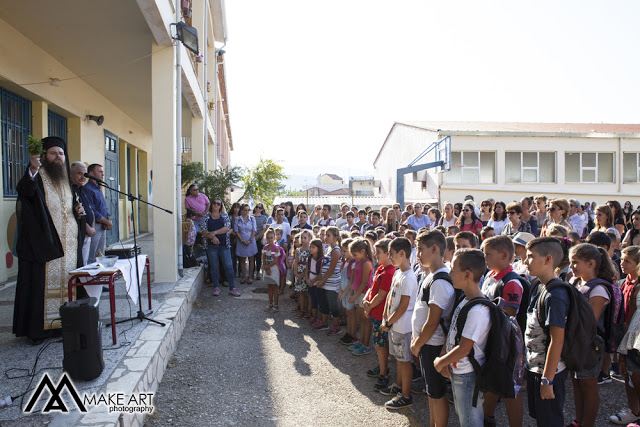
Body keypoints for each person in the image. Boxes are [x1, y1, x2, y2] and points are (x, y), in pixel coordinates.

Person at [14, 136, 85, 341]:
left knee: (67, 283)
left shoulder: (65, 180)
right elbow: (25, 191)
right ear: (44, 156)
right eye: (53, 153)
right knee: (40, 286)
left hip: (68, 246)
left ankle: (66, 323)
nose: (57, 157)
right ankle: (39, 330)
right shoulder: (37, 176)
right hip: (45, 245)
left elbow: (67, 209)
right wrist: (32, 169)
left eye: (61, 154)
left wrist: (77, 211)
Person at [434, 249, 491, 427]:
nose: (450, 274)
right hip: (459, 372)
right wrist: (445, 355)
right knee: (464, 416)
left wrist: (441, 362)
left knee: (470, 421)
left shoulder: (477, 311)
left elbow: (465, 348)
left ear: (467, 274)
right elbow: (453, 332)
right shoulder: (465, 300)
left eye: (453, 270)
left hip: (468, 375)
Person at [567, 243, 615, 427]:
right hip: (574, 342)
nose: (571, 267)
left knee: (588, 386)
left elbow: (590, 322)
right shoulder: (576, 282)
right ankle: (578, 421)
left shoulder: (599, 290)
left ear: (591, 264)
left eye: (575, 262)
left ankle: (588, 423)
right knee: (577, 385)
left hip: (589, 346)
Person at [524, 237, 570, 427]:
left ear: (548, 259)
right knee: (541, 418)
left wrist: (548, 380)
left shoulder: (555, 296)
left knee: (550, 421)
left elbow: (557, 340)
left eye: (530, 257)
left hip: (548, 372)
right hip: (536, 368)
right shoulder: (538, 286)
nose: (525, 262)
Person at [410, 230, 455, 427]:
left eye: (421, 250)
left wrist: (418, 344)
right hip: (426, 343)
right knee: (431, 391)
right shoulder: (431, 275)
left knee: (437, 393)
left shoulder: (440, 281)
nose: (418, 254)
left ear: (435, 249)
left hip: (433, 344)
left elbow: (433, 321)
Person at [480, 236, 526, 426]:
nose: (485, 258)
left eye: (488, 254)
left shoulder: (512, 282)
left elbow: (508, 313)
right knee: (491, 382)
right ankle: (487, 417)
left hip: (507, 344)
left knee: (509, 389)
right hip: (492, 339)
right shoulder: (491, 276)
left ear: (504, 254)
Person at [379, 237, 418, 410]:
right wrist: (385, 317)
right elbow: (390, 297)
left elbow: (403, 306)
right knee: (398, 360)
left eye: (392, 254)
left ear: (402, 254)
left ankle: (406, 395)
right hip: (394, 323)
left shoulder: (409, 277)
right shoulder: (398, 271)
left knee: (404, 361)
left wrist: (389, 321)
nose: (390, 257)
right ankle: (400, 386)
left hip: (402, 326)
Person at [611, 246, 640, 425]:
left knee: (635, 375)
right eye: (621, 259)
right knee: (627, 375)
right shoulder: (624, 282)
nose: (622, 263)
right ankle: (634, 410)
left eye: (627, 261)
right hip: (623, 331)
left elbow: (633, 317)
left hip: (633, 336)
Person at [363, 238, 395, 391]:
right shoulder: (381, 268)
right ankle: (382, 367)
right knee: (379, 344)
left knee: (380, 345)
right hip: (375, 311)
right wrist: (366, 298)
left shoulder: (389, 272)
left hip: (380, 314)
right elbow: (373, 288)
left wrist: (369, 306)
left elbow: (382, 295)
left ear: (388, 254)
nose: (375, 255)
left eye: (378, 253)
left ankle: (384, 374)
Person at [201, 198, 240, 297]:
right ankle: (216, 287)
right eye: (214, 203)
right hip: (211, 246)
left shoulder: (224, 216)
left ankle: (232, 288)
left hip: (224, 245)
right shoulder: (206, 217)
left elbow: (227, 228)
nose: (215, 205)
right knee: (214, 267)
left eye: (218, 204)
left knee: (229, 266)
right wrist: (213, 237)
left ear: (221, 206)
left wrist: (214, 232)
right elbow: (203, 231)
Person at [347, 238, 374, 355]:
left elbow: (364, 283)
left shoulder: (367, 263)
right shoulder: (358, 262)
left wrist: (355, 296)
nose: (354, 257)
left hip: (364, 294)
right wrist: (353, 294)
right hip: (358, 293)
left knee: (366, 320)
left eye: (355, 254)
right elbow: (355, 280)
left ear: (363, 251)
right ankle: (361, 341)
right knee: (361, 320)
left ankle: (366, 344)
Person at [85, 163, 112, 264]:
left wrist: (108, 218)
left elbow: (102, 206)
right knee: (92, 256)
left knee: (100, 255)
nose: (102, 174)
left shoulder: (98, 188)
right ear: (91, 173)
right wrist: (107, 222)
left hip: (103, 226)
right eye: (100, 172)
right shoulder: (88, 189)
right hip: (95, 226)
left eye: (102, 172)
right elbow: (92, 211)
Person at [70, 161, 96, 266]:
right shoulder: (69, 190)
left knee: (86, 263)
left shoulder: (82, 189)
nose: (83, 177)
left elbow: (89, 210)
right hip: (80, 234)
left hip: (89, 233)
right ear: (71, 174)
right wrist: (88, 228)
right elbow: (74, 213)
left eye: (84, 174)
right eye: (79, 173)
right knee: (80, 265)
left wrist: (93, 227)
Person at [338, 238, 357, 344]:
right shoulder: (346, 261)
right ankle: (349, 332)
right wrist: (341, 290)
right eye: (343, 250)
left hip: (349, 292)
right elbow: (342, 276)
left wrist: (346, 292)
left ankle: (353, 334)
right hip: (343, 291)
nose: (343, 253)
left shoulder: (353, 262)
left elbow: (352, 280)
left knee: (351, 314)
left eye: (345, 250)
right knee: (347, 313)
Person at [234, 203, 258, 284]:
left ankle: (250, 277)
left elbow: (254, 230)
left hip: (251, 241)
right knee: (242, 259)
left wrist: (250, 240)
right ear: (241, 211)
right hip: (241, 241)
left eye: (248, 210)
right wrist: (242, 240)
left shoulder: (252, 219)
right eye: (245, 210)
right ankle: (243, 276)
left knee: (251, 259)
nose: (247, 211)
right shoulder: (238, 219)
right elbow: (236, 231)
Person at [262, 228, 281, 312]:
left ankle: (276, 305)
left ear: (274, 238)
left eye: (271, 237)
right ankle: (270, 304)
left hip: (274, 269)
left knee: (274, 288)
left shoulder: (276, 248)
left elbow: (276, 260)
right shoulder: (265, 247)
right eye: (268, 238)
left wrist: (267, 267)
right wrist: (265, 267)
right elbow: (263, 257)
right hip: (267, 268)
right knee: (269, 287)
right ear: (266, 238)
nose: (270, 239)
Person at [253, 204, 269, 280]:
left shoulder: (264, 217)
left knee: (258, 256)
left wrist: (258, 236)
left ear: (262, 209)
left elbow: (264, 229)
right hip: (251, 238)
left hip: (259, 239)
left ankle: (258, 272)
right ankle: (251, 272)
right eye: (257, 207)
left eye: (260, 207)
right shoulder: (251, 217)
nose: (258, 209)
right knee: (251, 256)